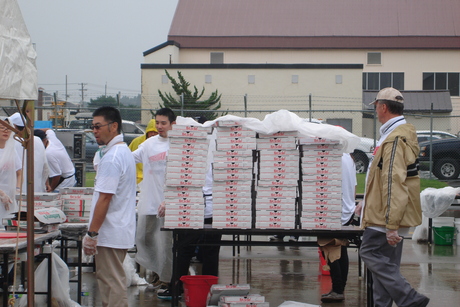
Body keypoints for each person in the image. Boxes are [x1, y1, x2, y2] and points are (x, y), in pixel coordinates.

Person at [359, 87, 430, 307]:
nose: (376, 112)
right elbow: (381, 175)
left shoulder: (394, 139)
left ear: (383, 107)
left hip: (385, 216)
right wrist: (365, 201)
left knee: (369, 252)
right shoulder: (399, 134)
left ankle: (409, 297)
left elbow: (393, 182)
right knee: (385, 271)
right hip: (388, 212)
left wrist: (391, 224)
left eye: (377, 108)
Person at [159, 117, 222, 300]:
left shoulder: (214, 152)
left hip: (207, 208)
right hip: (192, 207)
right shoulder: (187, 153)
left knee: (201, 251)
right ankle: (179, 287)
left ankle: (206, 290)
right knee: (187, 249)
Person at [82, 106, 136, 307]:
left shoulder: (113, 158)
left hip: (110, 231)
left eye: (98, 126)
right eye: (92, 127)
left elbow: (105, 198)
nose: (94, 131)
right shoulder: (120, 152)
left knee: (111, 284)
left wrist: (92, 234)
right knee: (112, 282)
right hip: (117, 229)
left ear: (113, 126)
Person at [131, 108, 176, 293]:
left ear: (173, 124)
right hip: (149, 203)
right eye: (157, 122)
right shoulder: (149, 144)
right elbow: (131, 158)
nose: (159, 126)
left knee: (167, 245)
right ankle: (158, 270)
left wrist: (171, 200)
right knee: (144, 238)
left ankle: (167, 280)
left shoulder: (178, 144)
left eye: (163, 123)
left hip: (169, 204)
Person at [320, 152, 357, 303]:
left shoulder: (332, 158)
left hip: (335, 211)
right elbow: (354, 186)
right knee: (341, 249)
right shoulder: (349, 158)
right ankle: (340, 288)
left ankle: (337, 289)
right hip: (347, 210)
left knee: (330, 248)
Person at [8, 112, 49, 193]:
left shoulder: (10, 142)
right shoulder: (37, 140)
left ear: (14, 126)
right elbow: (45, 167)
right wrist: (45, 183)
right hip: (37, 190)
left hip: (16, 190)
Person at [35, 128, 76, 192]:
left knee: (52, 199)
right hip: (71, 174)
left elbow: (57, 175)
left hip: (65, 182)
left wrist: (51, 189)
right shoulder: (51, 138)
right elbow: (48, 129)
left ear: (42, 141)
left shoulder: (48, 154)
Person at [0, 119, 22, 223]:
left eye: (8, 129)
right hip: (2, 195)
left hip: (10, 197)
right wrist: (2, 194)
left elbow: (19, 172)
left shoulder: (11, 150)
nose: (5, 131)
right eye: (2, 128)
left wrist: (17, 188)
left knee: (10, 224)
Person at [128, 118, 158, 185]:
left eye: (155, 132)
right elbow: (127, 158)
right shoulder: (137, 142)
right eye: (150, 132)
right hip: (136, 179)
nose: (152, 134)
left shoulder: (162, 145)